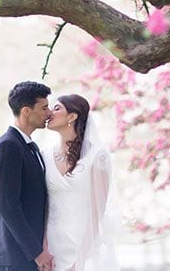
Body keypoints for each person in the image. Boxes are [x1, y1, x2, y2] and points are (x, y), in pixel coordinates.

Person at [42, 94, 120, 271]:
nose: (49, 113)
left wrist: (80, 260)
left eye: (56, 108)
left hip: (83, 246)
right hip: (52, 249)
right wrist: (43, 249)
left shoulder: (97, 156)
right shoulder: (44, 155)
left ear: (72, 116)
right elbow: (43, 206)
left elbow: (97, 210)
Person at [0, 81, 55, 271]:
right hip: (13, 260)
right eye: (44, 108)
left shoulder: (29, 147)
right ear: (26, 111)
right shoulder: (8, 147)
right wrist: (37, 252)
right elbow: (8, 206)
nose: (49, 113)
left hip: (26, 260)